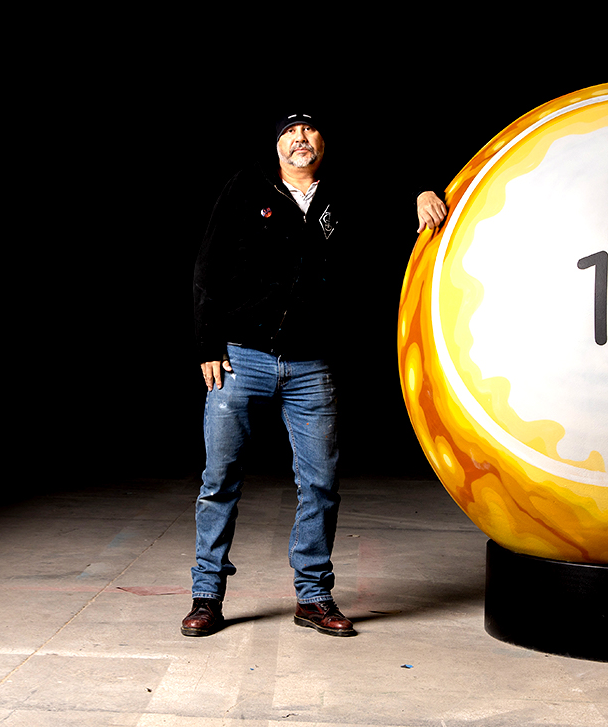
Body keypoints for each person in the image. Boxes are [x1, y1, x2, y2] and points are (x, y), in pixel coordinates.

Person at [184, 112, 448, 638]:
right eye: (289, 131)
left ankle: (313, 597)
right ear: (276, 144)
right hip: (242, 358)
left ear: (323, 143)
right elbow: (208, 266)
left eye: (309, 129)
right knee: (219, 483)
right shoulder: (247, 186)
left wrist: (419, 192)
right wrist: (208, 343)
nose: (299, 138)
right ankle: (207, 596)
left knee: (321, 485)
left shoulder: (341, 195)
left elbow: (391, 186)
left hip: (312, 367)